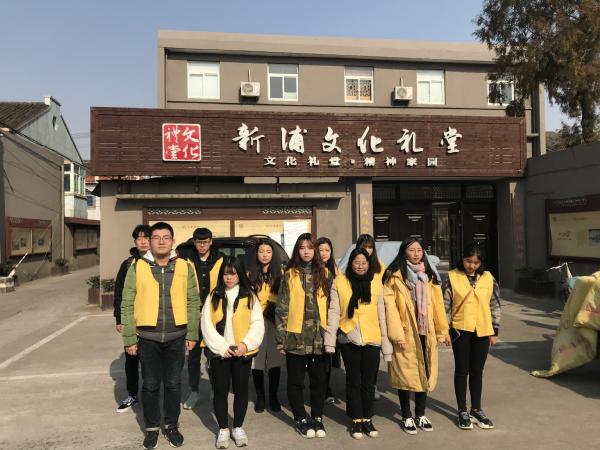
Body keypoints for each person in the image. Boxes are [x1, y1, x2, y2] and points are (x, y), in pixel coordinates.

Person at [121, 222, 200, 449]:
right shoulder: (136, 267)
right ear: (150, 242)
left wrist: (192, 334)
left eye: (166, 237)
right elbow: (127, 303)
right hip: (148, 338)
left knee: (174, 384)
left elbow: (193, 301)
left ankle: (172, 425)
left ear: (173, 241)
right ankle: (152, 428)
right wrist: (129, 338)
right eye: (157, 237)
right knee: (150, 385)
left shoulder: (185, 266)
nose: (162, 241)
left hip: (177, 336)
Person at [382, 237, 449, 435]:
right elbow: (390, 309)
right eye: (412, 250)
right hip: (405, 333)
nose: (416, 254)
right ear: (404, 252)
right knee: (405, 375)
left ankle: (420, 413)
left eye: (419, 250)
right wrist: (397, 335)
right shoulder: (394, 277)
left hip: (425, 332)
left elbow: (438, 306)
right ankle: (406, 415)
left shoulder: (430, 276)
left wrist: (442, 331)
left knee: (424, 372)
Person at [325, 248, 393, 440]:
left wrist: (386, 344)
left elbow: (381, 315)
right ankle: (356, 419)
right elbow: (334, 312)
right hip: (349, 338)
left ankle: (367, 418)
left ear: (369, 264)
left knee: (369, 383)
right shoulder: (340, 282)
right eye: (357, 262)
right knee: (353, 382)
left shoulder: (376, 283)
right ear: (351, 264)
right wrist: (330, 341)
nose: (360, 266)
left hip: (372, 338)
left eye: (364, 263)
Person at [201, 256, 265, 449]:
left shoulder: (249, 296)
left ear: (240, 275)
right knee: (220, 391)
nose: (229, 278)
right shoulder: (214, 295)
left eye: (233, 274)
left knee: (241, 390)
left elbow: (257, 323)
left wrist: (246, 344)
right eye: (225, 274)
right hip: (220, 353)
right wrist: (221, 347)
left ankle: (237, 427)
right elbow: (206, 324)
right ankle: (223, 428)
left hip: (241, 353)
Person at [275, 233, 333, 439]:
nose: (306, 251)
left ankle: (317, 417)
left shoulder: (325, 273)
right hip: (295, 337)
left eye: (310, 247)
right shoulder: (289, 274)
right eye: (302, 247)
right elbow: (282, 308)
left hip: (319, 337)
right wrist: (281, 339)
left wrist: (332, 335)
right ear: (297, 250)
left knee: (319, 381)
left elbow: (333, 306)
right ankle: (300, 418)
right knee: (296, 381)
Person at [443, 242, 501, 430]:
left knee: (477, 371)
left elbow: (495, 305)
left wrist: (495, 331)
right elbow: (445, 306)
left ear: (481, 262)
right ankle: (462, 410)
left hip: (483, 330)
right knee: (462, 371)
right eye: (468, 261)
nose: (472, 265)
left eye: (476, 262)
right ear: (462, 259)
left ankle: (476, 409)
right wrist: (446, 330)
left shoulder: (489, 278)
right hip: (460, 331)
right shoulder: (452, 277)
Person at [177, 227, 224, 410]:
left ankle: (214, 388)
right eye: (198, 242)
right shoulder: (185, 260)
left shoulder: (221, 259)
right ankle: (194, 391)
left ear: (211, 242)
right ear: (194, 243)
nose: (202, 245)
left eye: (205, 242)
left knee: (214, 355)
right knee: (193, 357)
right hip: (193, 316)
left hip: (214, 316)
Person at [113, 224, 150, 413]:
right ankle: (133, 395)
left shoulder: (159, 262)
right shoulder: (128, 264)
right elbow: (119, 293)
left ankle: (151, 395)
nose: (142, 241)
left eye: (146, 237)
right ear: (135, 241)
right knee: (131, 359)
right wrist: (119, 319)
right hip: (132, 320)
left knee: (152, 361)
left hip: (152, 320)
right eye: (139, 238)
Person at [248, 239, 284, 413]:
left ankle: (273, 396)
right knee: (257, 361)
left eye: (268, 251)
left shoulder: (281, 274)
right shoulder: (250, 275)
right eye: (261, 251)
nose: (264, 255)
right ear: (256, 254)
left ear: (273, 254)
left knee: (275, 360)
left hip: (274, 320)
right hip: (256, 322)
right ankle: (260, 397)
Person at [355, 233, 384, 400]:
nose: (367, 250)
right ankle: (360, 385)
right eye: (363, 246)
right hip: (357, 316)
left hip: (374, 317)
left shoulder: (380, 268)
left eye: (370, 247)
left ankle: (372, 385)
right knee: (358, 357)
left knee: (373, 357)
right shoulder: (353, 265)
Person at [316, 237, 341, 405]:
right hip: (315, 319)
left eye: (327, 250)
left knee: (327, 356)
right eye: (321, 250)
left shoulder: (336, 270)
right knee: (317, 357)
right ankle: (319, 388)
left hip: (330, 320)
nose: (324, 253)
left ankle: (326, 389)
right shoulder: (312, 270)